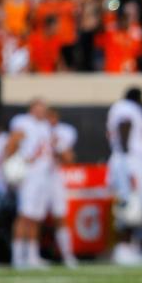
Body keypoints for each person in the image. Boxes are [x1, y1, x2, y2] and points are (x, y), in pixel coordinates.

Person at [7, 100, 54, 269]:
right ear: (31, 109)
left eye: (43, 108)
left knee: (36, 217)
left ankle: (32, 255)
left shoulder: (46, 126)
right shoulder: (23, 122)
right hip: (29, 175)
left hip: (43, 175)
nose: (41, 111)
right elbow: (12, 143)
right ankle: (18, 256)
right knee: (24, 215)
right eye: (38, 107)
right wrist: (12, 164)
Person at [106, 87, 142, 265]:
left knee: (133, 207)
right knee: (128, 206)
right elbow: (124, 127)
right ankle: (123, 248)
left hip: (126, 159)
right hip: (127, 161)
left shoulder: (119, 108)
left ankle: (130, 247)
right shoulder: (127, 108)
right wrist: (127, 163)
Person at [48, 109, 78, 267]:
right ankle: (25, 257)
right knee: (30, 218)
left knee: (60, 216)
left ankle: (67, 255)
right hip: (34, 178)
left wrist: (56, 145)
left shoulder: (62, 133)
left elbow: (69, 159)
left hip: (54, 177)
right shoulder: (29, 130)